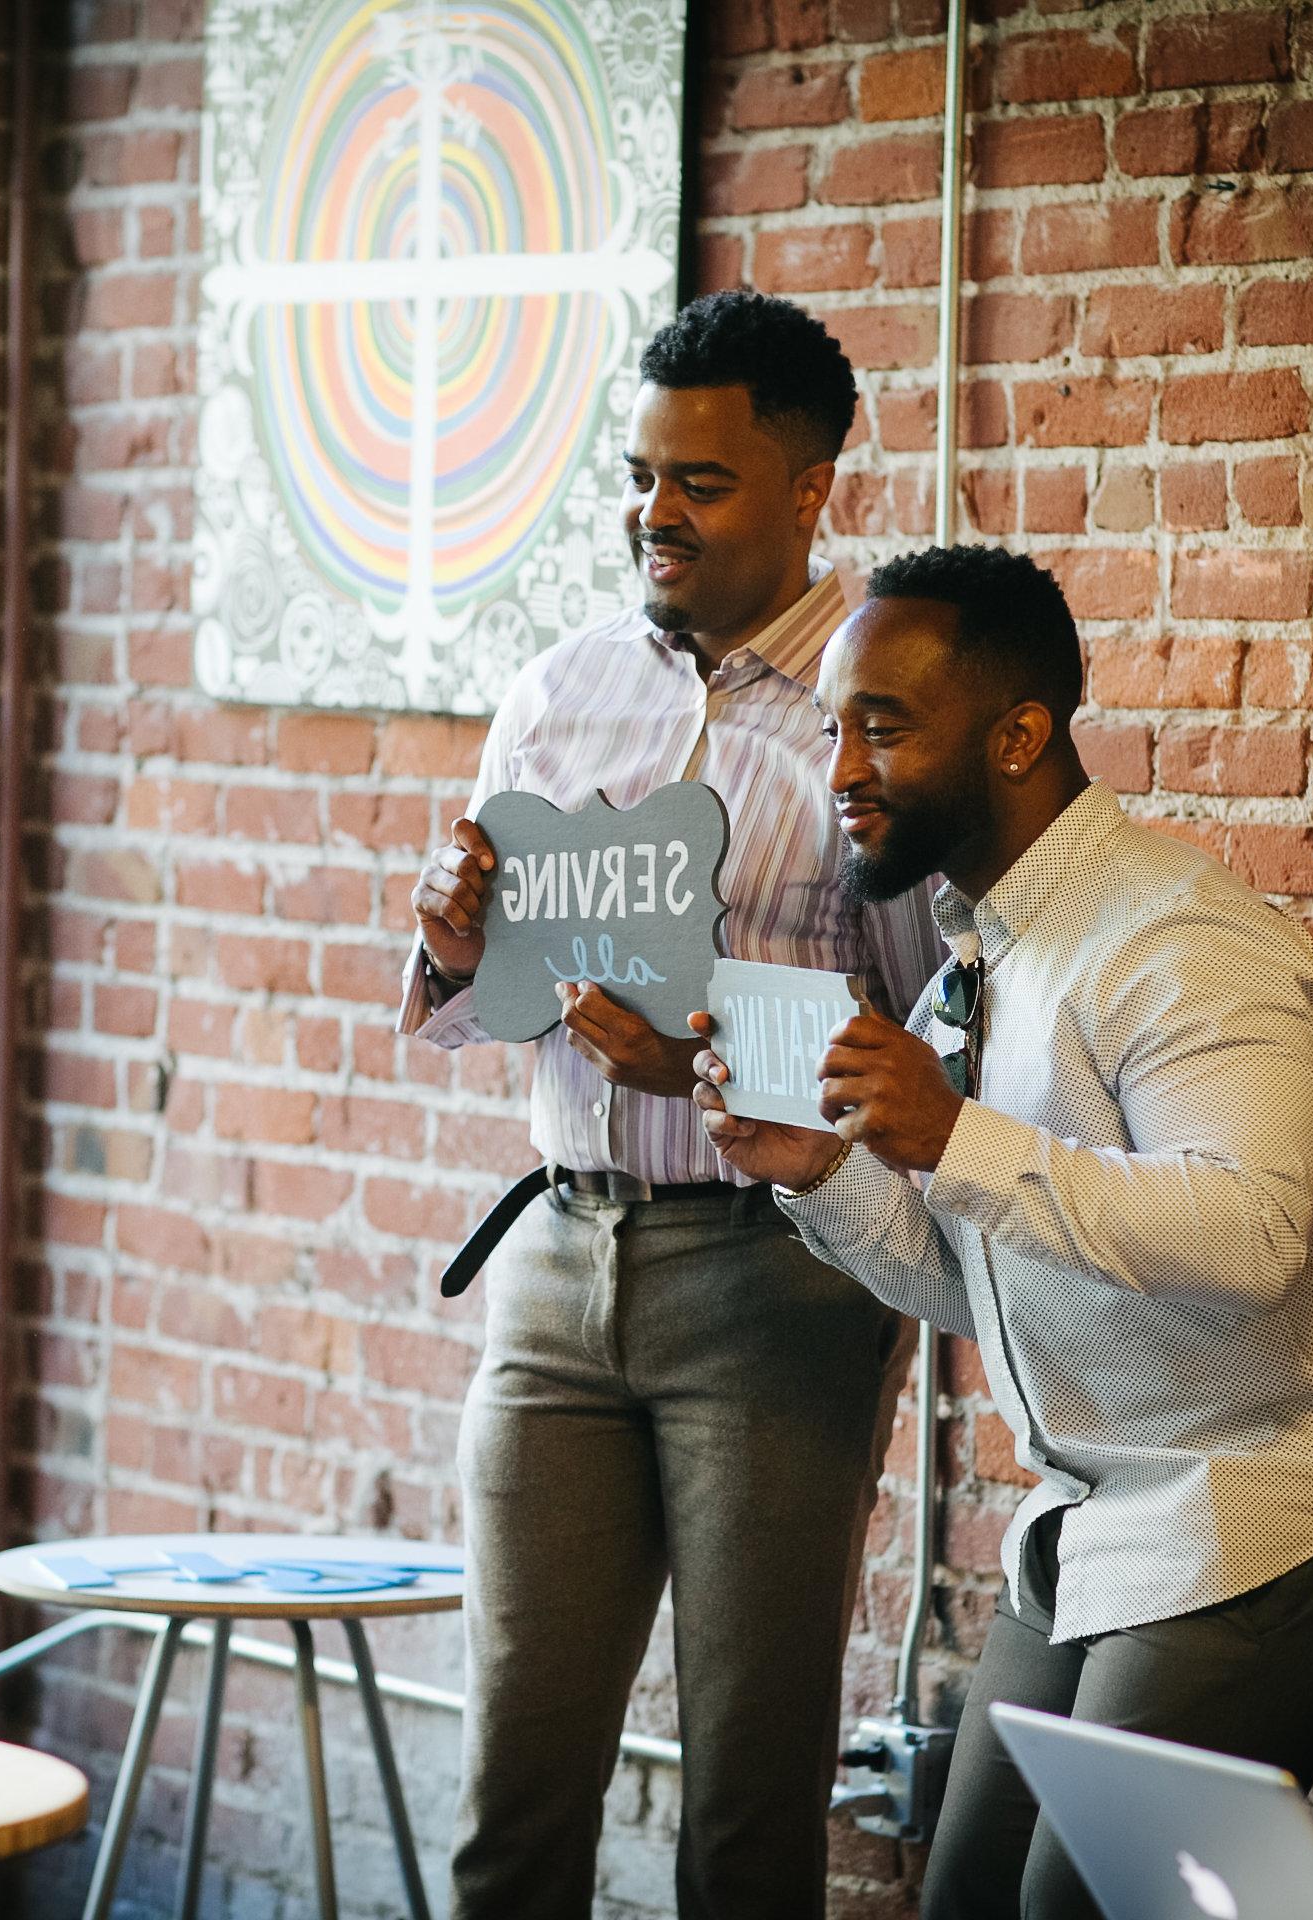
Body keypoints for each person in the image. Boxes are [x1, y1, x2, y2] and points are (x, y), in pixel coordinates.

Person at [693, 544, 1313, 1920]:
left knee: (1077, 1906)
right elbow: (979, 1272)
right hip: (1096, 1525)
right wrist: (825, 1176)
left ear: (1020, 734)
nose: (840, 767)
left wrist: (952, 1137)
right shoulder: (979, 956)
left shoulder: (1177, 940)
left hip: (1268, 1511)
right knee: (971, 1897)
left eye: (884, 726)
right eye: (831, 728)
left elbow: (1253, 1228)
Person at [403, 290, 940, 1917]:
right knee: (511, 1795)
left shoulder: (878, 715)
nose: (654, 512)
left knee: (747, 1814)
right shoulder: (557, 692)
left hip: (776, 1283)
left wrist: (707, 1055)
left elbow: (941, 1041)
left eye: (698, 481)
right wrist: (446, 938)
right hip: (555, 1265)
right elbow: (481, 988)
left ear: (808, 487)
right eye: (640, 474)